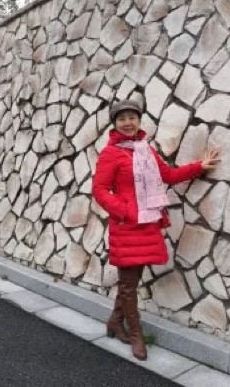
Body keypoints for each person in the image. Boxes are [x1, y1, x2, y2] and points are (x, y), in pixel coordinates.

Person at [92, 99, 220, 361]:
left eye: (132, 118)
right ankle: (136, 334)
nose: (128, 123)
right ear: (115, 124)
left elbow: (168, 175)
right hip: (127, 226)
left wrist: (199, 166)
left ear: (139, 121)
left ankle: (115, 321)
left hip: (147, 223)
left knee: (130, 282)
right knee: (129, 285)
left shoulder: (145, 150)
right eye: (122, 119)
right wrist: (125, 210)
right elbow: (100, 190)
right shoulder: (111, 153)